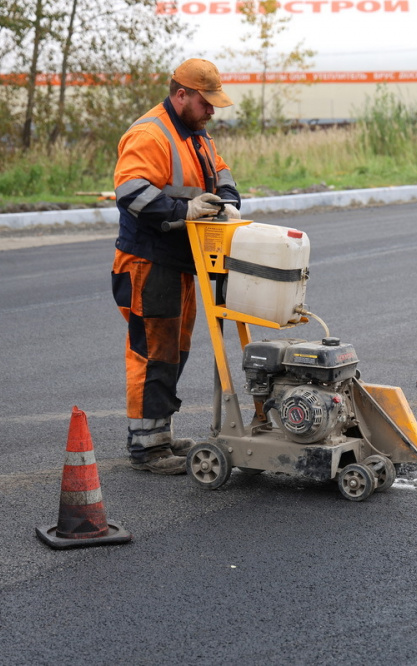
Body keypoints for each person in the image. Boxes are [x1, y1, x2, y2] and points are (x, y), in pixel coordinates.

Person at [111, 58, 242, 474]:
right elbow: (131, 192)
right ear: (181, 94)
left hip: (181, 262)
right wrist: (185, 210)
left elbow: (221, 173)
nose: (212, 111)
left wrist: (227, 203)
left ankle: (159, 435)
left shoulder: (197, 135)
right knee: (152, 353)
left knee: (174, 350)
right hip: (148, 263)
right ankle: (146, 449)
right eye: (206, 102)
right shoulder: (151, 133)